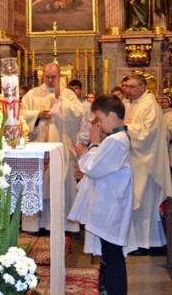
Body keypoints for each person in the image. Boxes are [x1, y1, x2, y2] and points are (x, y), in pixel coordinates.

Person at [69, 96, 133, 295]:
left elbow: (93, 168)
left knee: (112, 256)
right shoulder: (118, 138)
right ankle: (107, 289)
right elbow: (101, 168)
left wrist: (93, 145)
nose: (99, 125)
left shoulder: (116, 141)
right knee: (109, 254)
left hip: (111, 206)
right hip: (110, 203)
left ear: (111, 116)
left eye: (100, 119)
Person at [21, 62, 84, 232]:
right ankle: (35, 224)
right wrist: (37, 115)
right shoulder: (32, 94)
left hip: (60, 148)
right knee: (37, 184)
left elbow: (78, 115)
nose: (50, 80)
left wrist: (61, 99)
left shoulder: (68, 94)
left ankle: (59, 223)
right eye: (47, 77)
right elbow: (20, 115)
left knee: (59, 183)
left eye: (53, 77)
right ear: (42, 76)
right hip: (37, 147)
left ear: (59, 76)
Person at [122, 75, 172, 254]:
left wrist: (127, 128)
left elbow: (149, 132)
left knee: (144, 203)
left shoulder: (150, 105)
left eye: (131, 86)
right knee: (138, 203)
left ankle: (145, 243)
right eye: (126, 86)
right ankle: (145, 242)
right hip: (135, 160)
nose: (127, 90)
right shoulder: (131, 104)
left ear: (142, 86)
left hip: (147, 162)